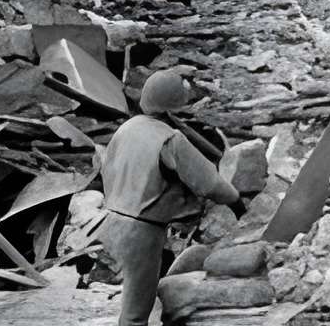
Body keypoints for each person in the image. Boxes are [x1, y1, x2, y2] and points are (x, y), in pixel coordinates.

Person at [97, 70, 237, 326]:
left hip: (111, 219)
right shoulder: (170, 139)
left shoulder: (127, 128)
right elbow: (210, 183)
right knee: (135, 314)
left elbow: (107, 169)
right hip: (141, 230)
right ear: (175, 104)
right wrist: (237, 201)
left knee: (130, 298)